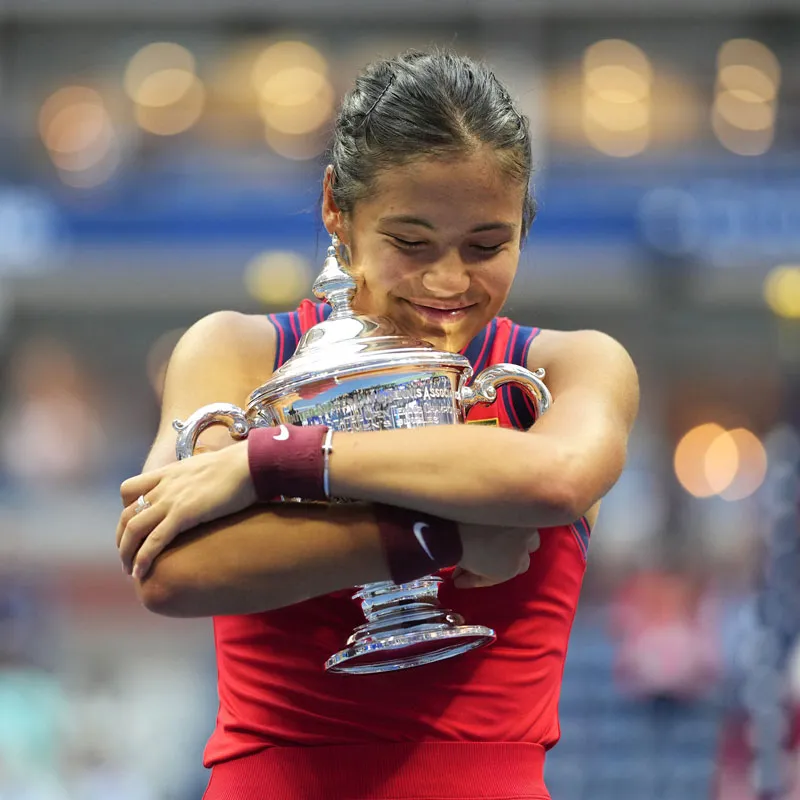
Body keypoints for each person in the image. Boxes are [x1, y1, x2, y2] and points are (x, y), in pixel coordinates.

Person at [115, 49, 639, 800]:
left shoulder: (573, 364)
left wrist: (274, 462)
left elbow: (556, 478)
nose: (450, 282)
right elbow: (168, 569)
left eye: (487, 246)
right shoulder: (237, 352)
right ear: (337, 206)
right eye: (411, 243)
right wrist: (439, 536)